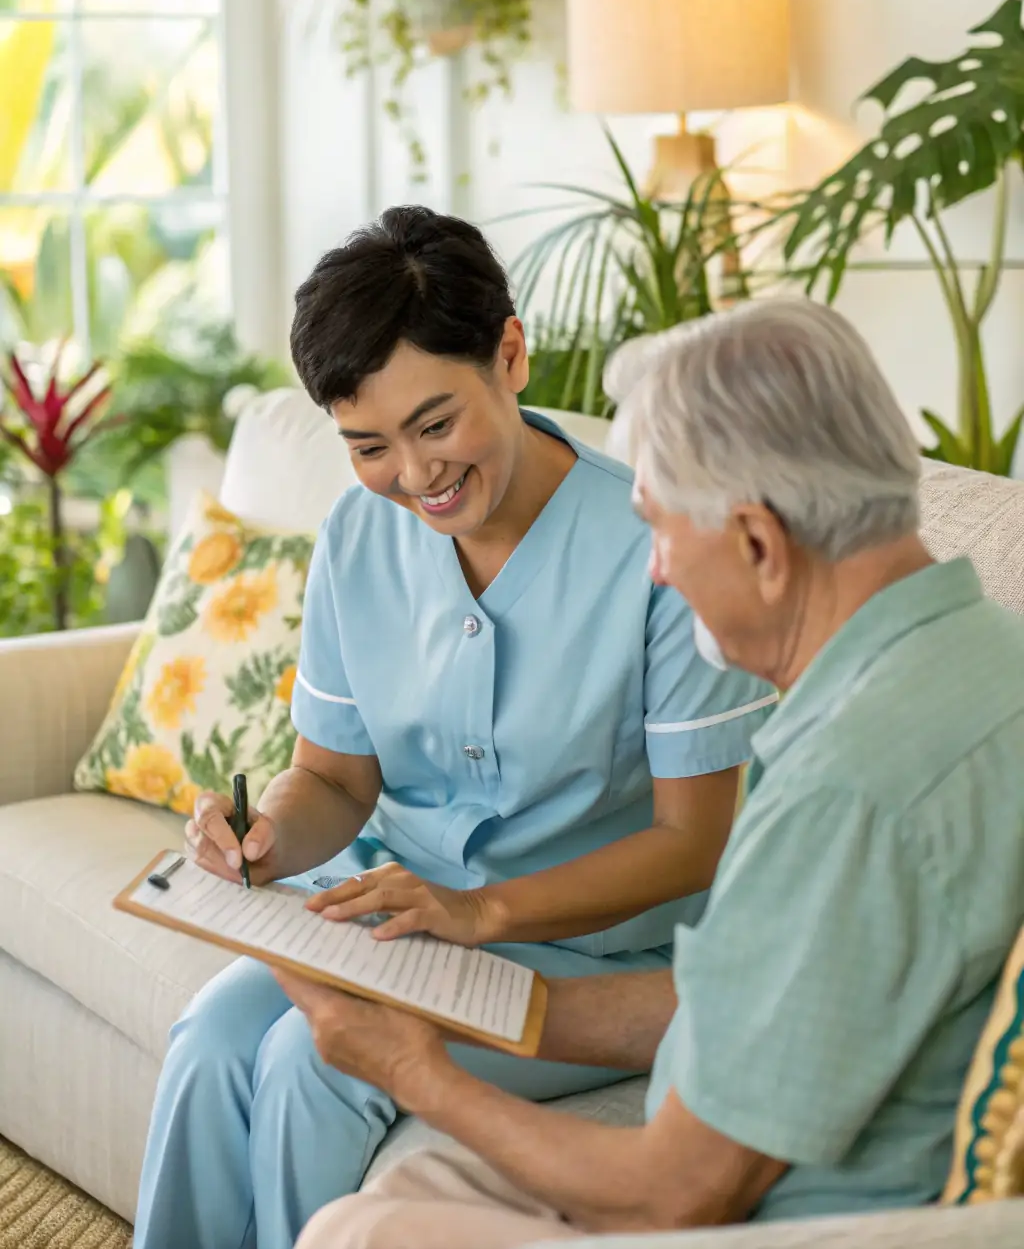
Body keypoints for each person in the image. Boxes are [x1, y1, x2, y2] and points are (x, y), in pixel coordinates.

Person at [274, 296, 1024, 1249]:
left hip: (782, 1221)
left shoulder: (848, 790)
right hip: (742, 1156)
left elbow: (675, 1195)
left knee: (356, 1234)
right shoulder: (982, 658)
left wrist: (414, 1070)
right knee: (410, 1186)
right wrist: (458, 1003)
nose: (658, 571)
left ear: (758, 544)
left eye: (661, 531)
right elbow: (759, 999)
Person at [132, 207, 776, 1249]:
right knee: (211, 1037)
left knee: (310, 1065)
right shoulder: (357, 534)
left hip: (590, 953)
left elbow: (693, 841)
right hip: (393, 919)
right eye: (369, 446)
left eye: (435, 426)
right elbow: (333, 780)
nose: (414, 474)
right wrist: (265, 837)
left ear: (509, 355)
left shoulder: (655, 546)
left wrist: (480, 909)